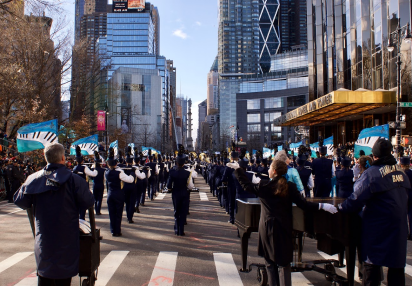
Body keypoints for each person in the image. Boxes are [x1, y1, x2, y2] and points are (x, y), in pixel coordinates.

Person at [230, 159, 337, 286]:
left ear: (274, 171)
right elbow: (304, 204)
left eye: (270, 168)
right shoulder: (290, 186)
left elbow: (246, 185)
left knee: (270, 263)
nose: (268, 170)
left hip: (267, 228)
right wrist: (322, 206)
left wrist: (238, 170)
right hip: (284, 228)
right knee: (284, 264)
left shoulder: (264, 186)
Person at [14, 143, 94, 285]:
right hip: (67, 238)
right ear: (63, 158)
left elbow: (20, 201)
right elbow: (88, 202)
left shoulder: (33, 179)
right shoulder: (74, 180)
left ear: (46, 159)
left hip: (44, 239)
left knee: (45, 276)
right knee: (63, 278)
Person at [339, 139, 411, 285]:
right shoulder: (402, 173)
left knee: (371, 270)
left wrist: (340, 208)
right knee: (397, 270)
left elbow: (355, 199)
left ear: (375, 156)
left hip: (377, 229)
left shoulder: (372, 174)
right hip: (398, 229)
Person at [105, 148, 135, 237]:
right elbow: (130, 180)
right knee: (118, 214)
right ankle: (117, 231)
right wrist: (132, 172)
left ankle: (113, 230)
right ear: (116, 164)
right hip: (118, 194)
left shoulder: (106, 172)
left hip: (110, 194)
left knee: (111, 214)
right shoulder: (119, 172)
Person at [167, 145, 194, 236]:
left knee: (176, 211)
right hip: (184, 193)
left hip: (175, 193)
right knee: (183, 212)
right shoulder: (187, 173)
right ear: (183, 163)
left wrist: (170, 189)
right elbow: (190, 186)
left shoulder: (172, 172)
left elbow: (169, 185)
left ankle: (176, 229)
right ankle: (181, 230)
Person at [72, 146, 98, 219]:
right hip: (83, 188)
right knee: (83, 206)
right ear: (82, 160)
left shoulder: (74, 168)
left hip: (75, 188)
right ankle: (82, 220)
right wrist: (95, 168)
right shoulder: (84, 167)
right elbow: (93, 174)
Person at [400, 156, 412, 240]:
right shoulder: (411, 173)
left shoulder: (401, 174)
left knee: (403, 215)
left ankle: (405, 233)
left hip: (403, 195)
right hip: (411, 194)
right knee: (411, 215)